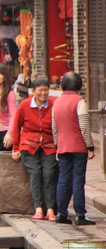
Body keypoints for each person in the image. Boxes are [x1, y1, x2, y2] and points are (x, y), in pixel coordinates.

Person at [11, 77, 57, 221]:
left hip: (49, 145)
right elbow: (16, 127)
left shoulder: (54, 104)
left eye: (46, 90)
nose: (43, 93)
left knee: (49, 174)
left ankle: (50, 209)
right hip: (29, 145)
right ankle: (38, 208)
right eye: (40, 90)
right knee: (36, 173)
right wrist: (16, 148)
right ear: (34, 91)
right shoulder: (24, 105)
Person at [52, 72, 95, 226]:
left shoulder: (56, 102)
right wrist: (90, 146)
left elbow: (54, 127)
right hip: (78, 147)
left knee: (63, 180)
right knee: (78, 180)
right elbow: (84, 127)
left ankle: (61, 213)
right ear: (78, 85)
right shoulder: (79, 101)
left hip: (63, 147)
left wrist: (57, 146)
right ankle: (80, 215)